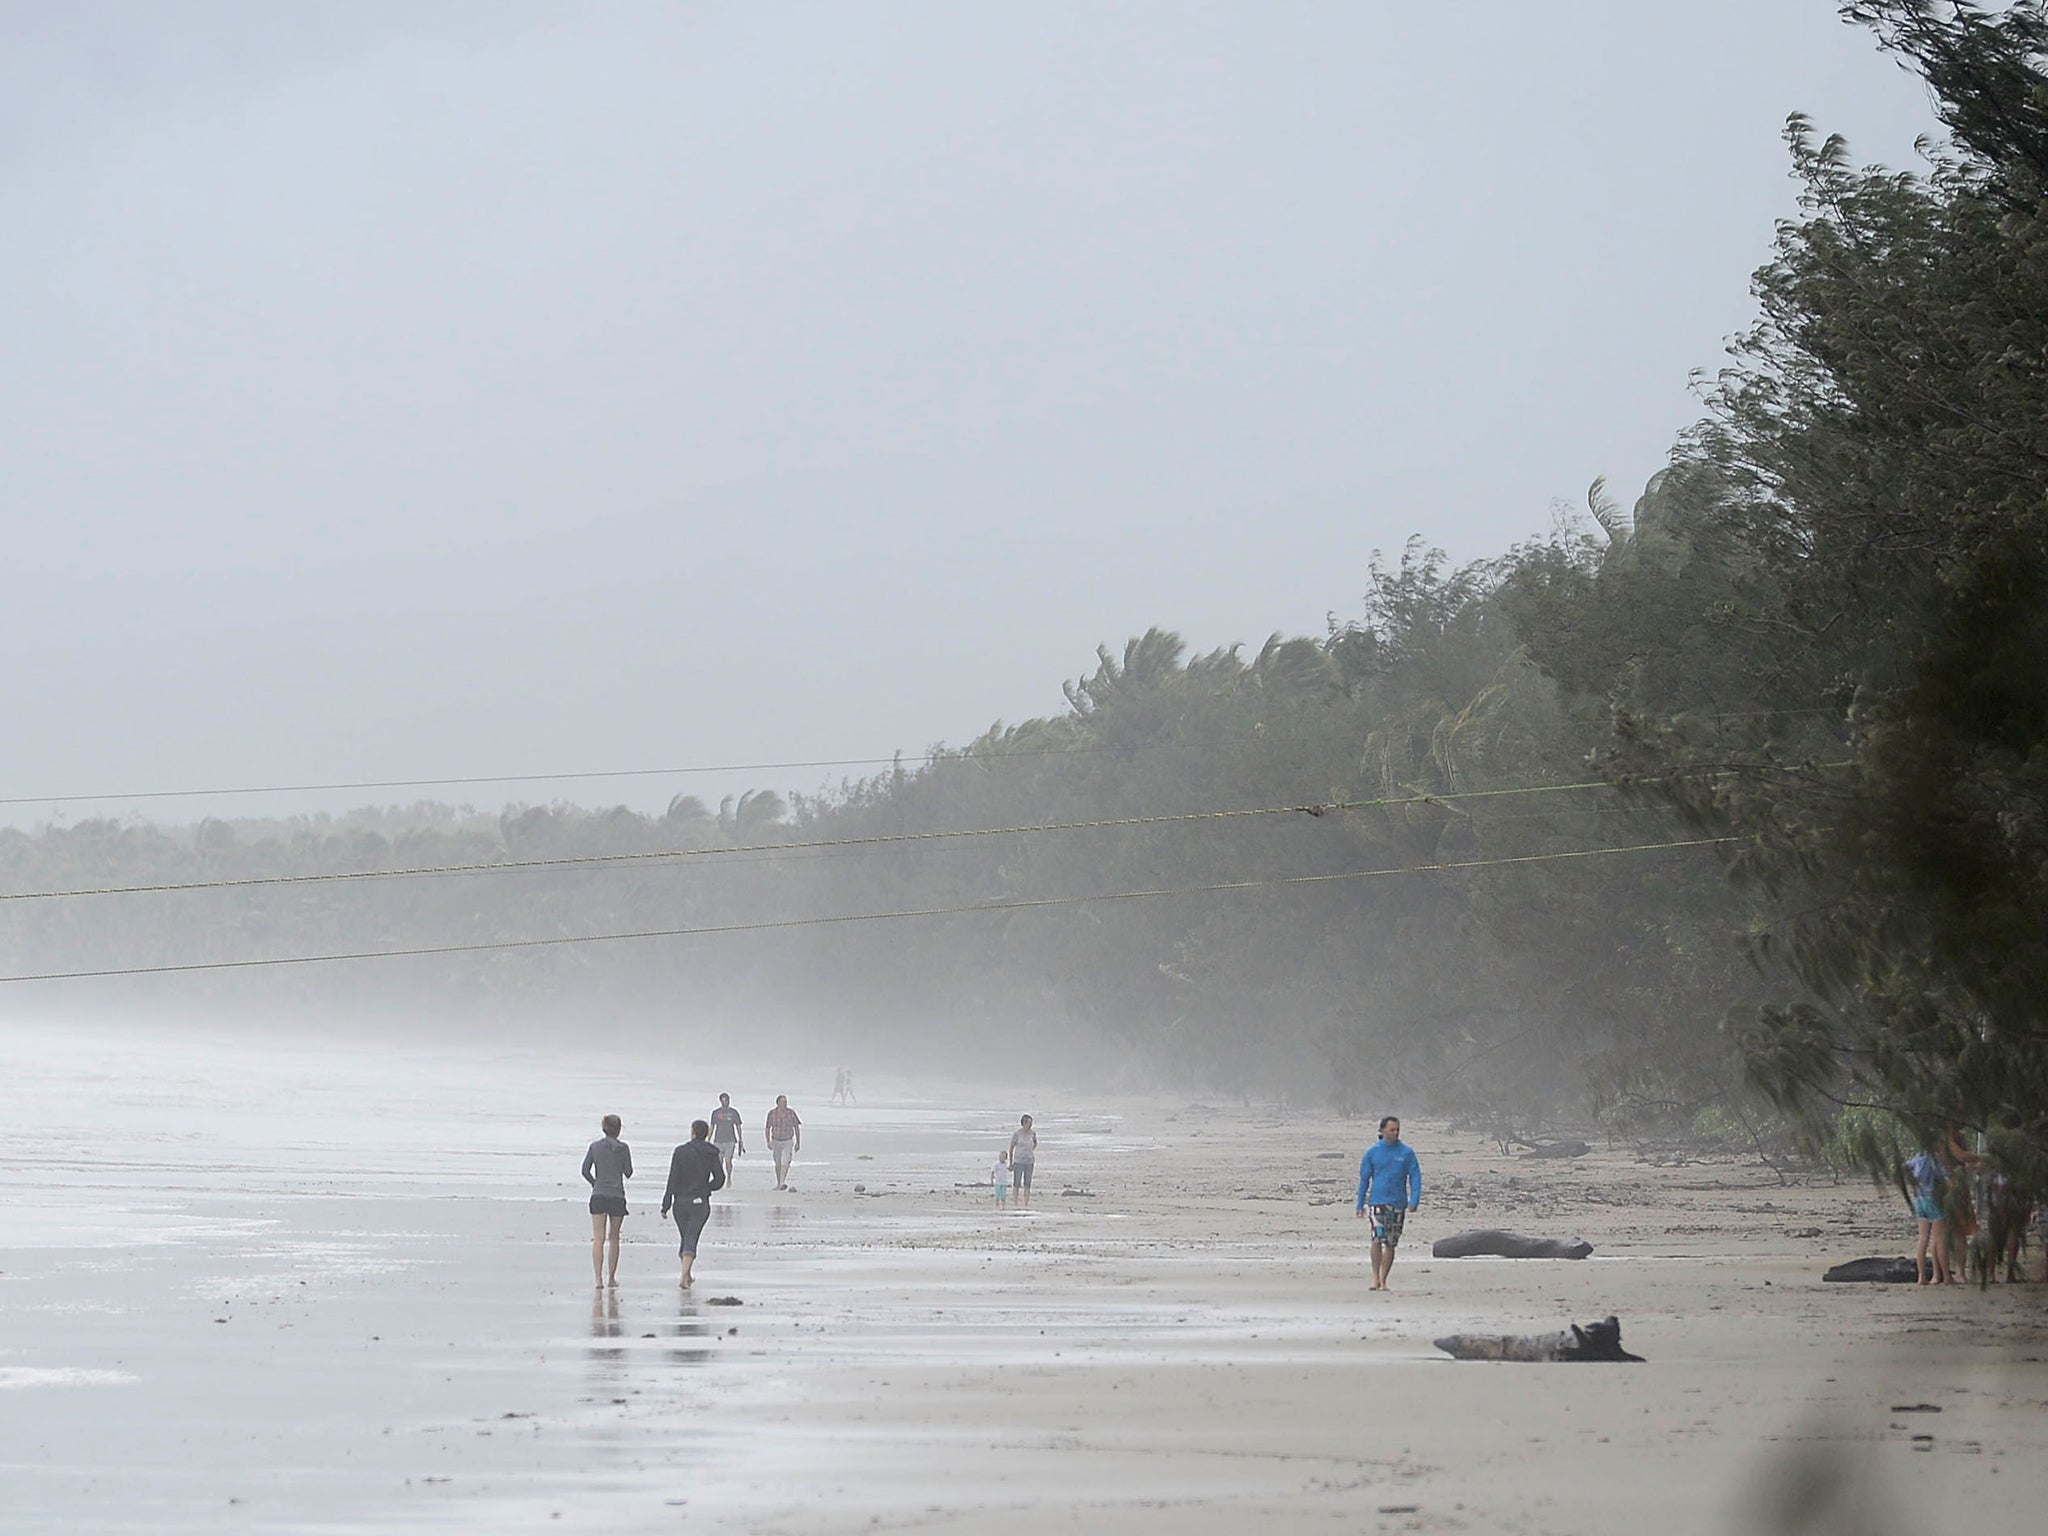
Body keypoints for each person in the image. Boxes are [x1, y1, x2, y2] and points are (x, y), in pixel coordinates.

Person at [1354, 1115, 1422, 1291]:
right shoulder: (1372, 1152)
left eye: (1398, 1129)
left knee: (1391, 1243)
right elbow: (1364, 1179)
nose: (1396, 1133)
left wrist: (1414, 1200)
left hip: (1398, 1203)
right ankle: (1375, 1276)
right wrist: (1360, 1204)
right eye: (1392, 1130)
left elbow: (1415, 1177)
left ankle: (1384, 1279)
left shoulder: (1406, 1153)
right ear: (1382, 1130)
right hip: (1377, 1202)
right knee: (1377, 1239)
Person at [660, 1119, 728, 1288]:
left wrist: (666, 1203)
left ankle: (686, 1274)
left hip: (680, 1202)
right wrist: (707, 1188)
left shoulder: (680, 1152)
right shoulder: (711, 1152)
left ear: (692, 1132)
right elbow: (720, 1179)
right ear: (706, 1134)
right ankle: (685, 1276)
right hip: (700, 1203)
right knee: (691, 1237)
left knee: (686, 1237)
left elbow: (672, 1179)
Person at [581, 1114, 633, 1288]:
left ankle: (598, 1279)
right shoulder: (623, 1148)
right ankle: (611, 1277)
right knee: (614, 1237)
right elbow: (629, 1172)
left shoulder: (594, 1147)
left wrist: (595, 1184)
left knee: (598, 1237)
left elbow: (585, 1170)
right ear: (618, 1129)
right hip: (617, 1195)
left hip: (599, 1194)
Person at [1907, 1146, 1949, 1285]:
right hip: (1934, 1201)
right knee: (1940, 1239)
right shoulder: (1934, 1161)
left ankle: (1922, 1276)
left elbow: (1903, 1171)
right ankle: (1947, 1277)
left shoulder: (1916, 1159)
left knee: (1923, 1239)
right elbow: (1945, 1179)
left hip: (1920, 1201)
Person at [765, 1095, 802, 1190]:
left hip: (788, 1140)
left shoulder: (791, 1113)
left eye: (785, 1102)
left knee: (785, 1162)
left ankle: (782, 1182)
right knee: (777, 1163)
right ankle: (779, 1183)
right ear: (777, 1103)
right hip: (776, 1140)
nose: (785, 1104)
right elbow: (768, 1127)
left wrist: (798, 1142)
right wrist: (768, 1141)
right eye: (782, 1102)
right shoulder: (772, 1113)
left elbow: (796, 1127)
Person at [709, 1093, 745, 1182]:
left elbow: (738, 1126)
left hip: (730, 1140)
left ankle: (729, 1177)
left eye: (727, 1100)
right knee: (719, 1161)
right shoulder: (716, 1113)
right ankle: (720, 1178)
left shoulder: (733, 1112)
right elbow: (712, 1126)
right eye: (723, 1100)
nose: (725, 1102)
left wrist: (740, 1139)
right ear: (720, 1101)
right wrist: (708, 1138)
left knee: (728, 1160)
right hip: (718, 1140)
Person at [1009, 1115, 1037, 1209]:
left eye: (1031, 1123)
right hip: (1018, 1160)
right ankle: (1016, 1202)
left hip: (1029, 1161)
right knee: (1016, 1182)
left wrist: (1030, 1151)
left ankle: (1026, 1202)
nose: (1030, 1125)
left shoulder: (1032, 1133)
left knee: (1027, 1182)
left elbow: (1035, 1143)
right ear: (1023, 1123)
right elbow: (1011, 1147)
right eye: (1029, 1123)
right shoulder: (1017, 1134)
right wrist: (1011, 1162)